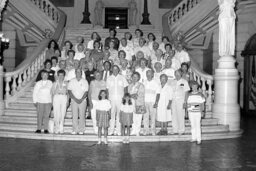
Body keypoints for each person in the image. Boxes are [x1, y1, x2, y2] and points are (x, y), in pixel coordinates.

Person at [106, 65, 128, 135]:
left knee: (119, 114)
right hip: (111, 98)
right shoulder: (109, 78)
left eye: (116, 69)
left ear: (118, 70)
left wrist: (125, 97)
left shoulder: (122, 77)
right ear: (112, 70)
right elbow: (107, 89)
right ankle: (111, 130)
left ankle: (118, 130)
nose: (115, 70)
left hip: (120, 98)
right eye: (114, 69)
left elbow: (125, 88)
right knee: (112, 114)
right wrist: (107, 99)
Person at [68, 68, 89, 135]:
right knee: (74, 115)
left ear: (81, 73)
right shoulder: (71, 81)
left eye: (79, 72)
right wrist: (75, 99)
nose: (78, 73)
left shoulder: (85, 81)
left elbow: (86, 91)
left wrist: (81, 99)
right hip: (74, 100)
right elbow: (69, 91)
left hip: (83, 101)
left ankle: (81, 129)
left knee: (82, 115)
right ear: (75, 73)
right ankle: (75, 129)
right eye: (77, 72)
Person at [171, 69, 190, 135]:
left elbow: (186, 92)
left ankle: (181, 130)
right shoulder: (172, 82)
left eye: (178, 74)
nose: (177, 75)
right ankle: (175, 130)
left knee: (181, 115)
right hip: (173, 100)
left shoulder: (184, 82)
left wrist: (185, 102)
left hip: (181, 100)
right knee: (174, 115)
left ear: (181, 74)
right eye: (176, 74)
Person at [186, 80, 205, 145]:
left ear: (197, 87)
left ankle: (199, 139)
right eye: (193, 86)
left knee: (198, 125)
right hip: (191, 112)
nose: (194, 87)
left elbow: (202, 104)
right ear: (191, 87)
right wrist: (188, 111)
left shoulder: (200, 94)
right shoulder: (189, 95)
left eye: (195, 86)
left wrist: (202, 111)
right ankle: (193, 138)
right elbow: (187, 104)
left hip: (198, 112)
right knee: (192, 125)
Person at [52, 69, 68, 134]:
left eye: (62, 75)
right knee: (56, 113)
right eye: (59, 75)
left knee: (63, 112)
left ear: (64, 76)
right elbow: (52, 92)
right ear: (57, 76)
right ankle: (56, 128)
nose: (61, 77)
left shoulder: (66, 83)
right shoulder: (55, 83)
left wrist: (68, 101)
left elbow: (68, 92)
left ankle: (61, 127)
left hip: (64, 97)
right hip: (56, 97)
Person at [143, 70, 159, 135]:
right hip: (145, 102)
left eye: (150, 74)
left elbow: (158, 93)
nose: (148, 75)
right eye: (147, 74)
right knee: (145, 117)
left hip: (153, 102)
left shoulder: (156, 83)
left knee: (153, 117)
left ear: (152, 75)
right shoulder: (143, 82)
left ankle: (153, 130)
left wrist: (156, 102)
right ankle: (146, 130)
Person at [129, 72, 145, 136]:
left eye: (136, 77)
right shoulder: (130, 85)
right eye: (133, 77)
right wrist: (131, 95)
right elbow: (128, 94)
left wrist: (134, 95)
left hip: (139, 103)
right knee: (133, 117)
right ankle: (133, 130)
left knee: (139, 117)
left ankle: (137, 131)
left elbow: (141, 94)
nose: (134, 78)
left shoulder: (141, 85)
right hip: (131, 103)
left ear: (138, 78)